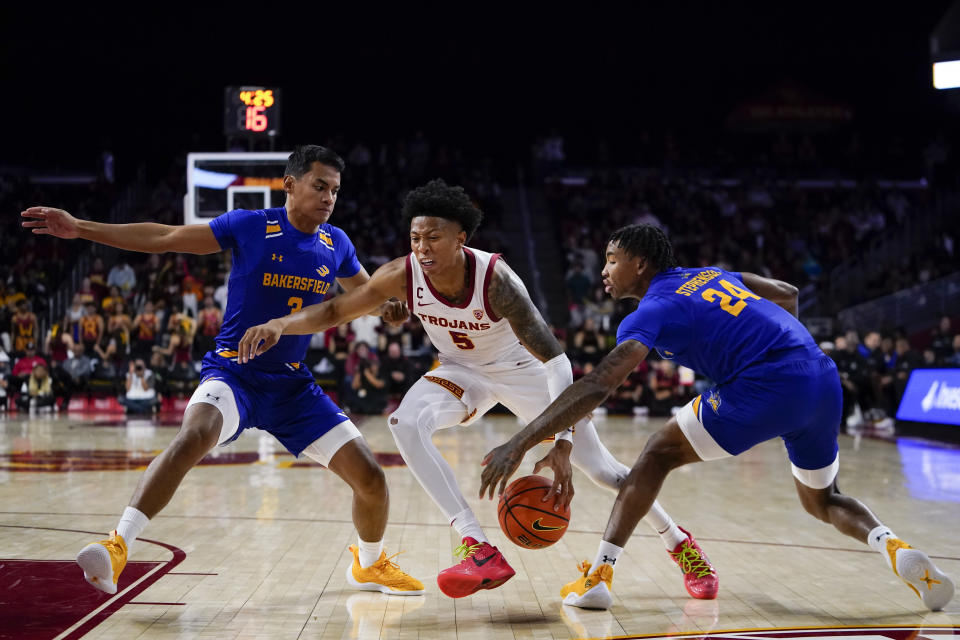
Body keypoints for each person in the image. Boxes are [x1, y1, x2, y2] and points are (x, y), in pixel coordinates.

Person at [238, 180, 717, 601]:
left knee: (604, 472)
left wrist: (563, 443)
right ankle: (475, 545)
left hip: (525, 371)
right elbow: (334, 312)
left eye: (434, 236)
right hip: (461, 370)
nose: (422, 246)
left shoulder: (497, 280)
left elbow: (556, 360)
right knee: (405, 422)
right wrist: (282, 323)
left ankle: (682, 546)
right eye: (415, 237)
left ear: (461, 238)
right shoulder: (402, 275)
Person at [478, 223, 955, 612]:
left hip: (763, 386)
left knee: (656, 455)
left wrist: (519, 442)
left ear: (639, 264)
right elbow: (787, 294)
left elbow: (598, 384)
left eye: (611, 259)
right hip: (819, 375)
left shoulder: (653, 308)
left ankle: (599, 576)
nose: (604, 270)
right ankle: (892, 546)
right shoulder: (712, 273)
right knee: (824, 499)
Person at [21, 144, 423, 597]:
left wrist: (387, 308)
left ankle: (368, 565)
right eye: (319, 186)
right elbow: (166, 237)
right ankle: (117, 546)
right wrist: (81, 228)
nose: (329, 197)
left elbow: (365, 294)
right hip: (235, 373)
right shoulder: (252, 226)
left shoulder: (338, 243)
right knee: (194, 435)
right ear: (290, 185)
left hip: (291, 385)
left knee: (371, 478)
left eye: (334, 189)